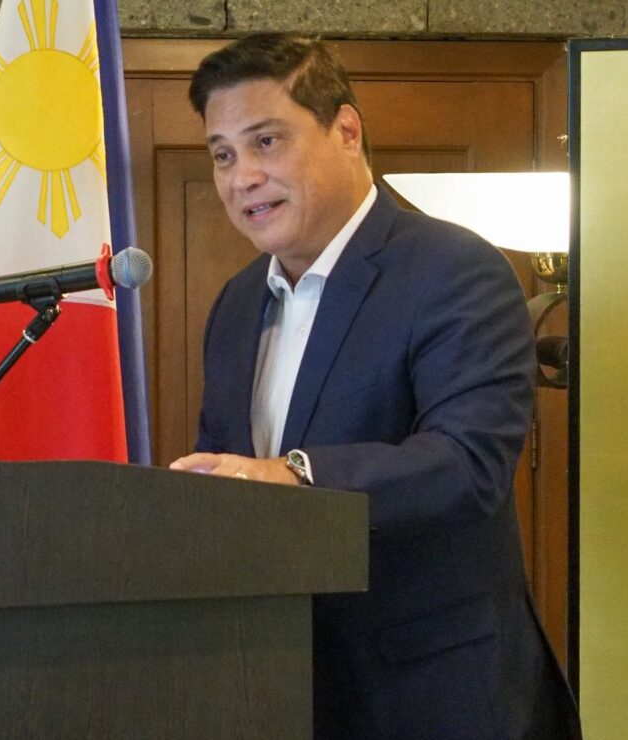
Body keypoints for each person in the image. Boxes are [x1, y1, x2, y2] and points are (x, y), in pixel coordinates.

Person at [169, 33, 581, 739]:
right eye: (223, 154)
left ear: (348, 131)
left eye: (266, 142)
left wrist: (294, 478)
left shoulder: (455, 271)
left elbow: (467, 463)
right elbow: (226, 473)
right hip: (276, 686)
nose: (242, 178)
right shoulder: (237, 302)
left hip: (432, 690)